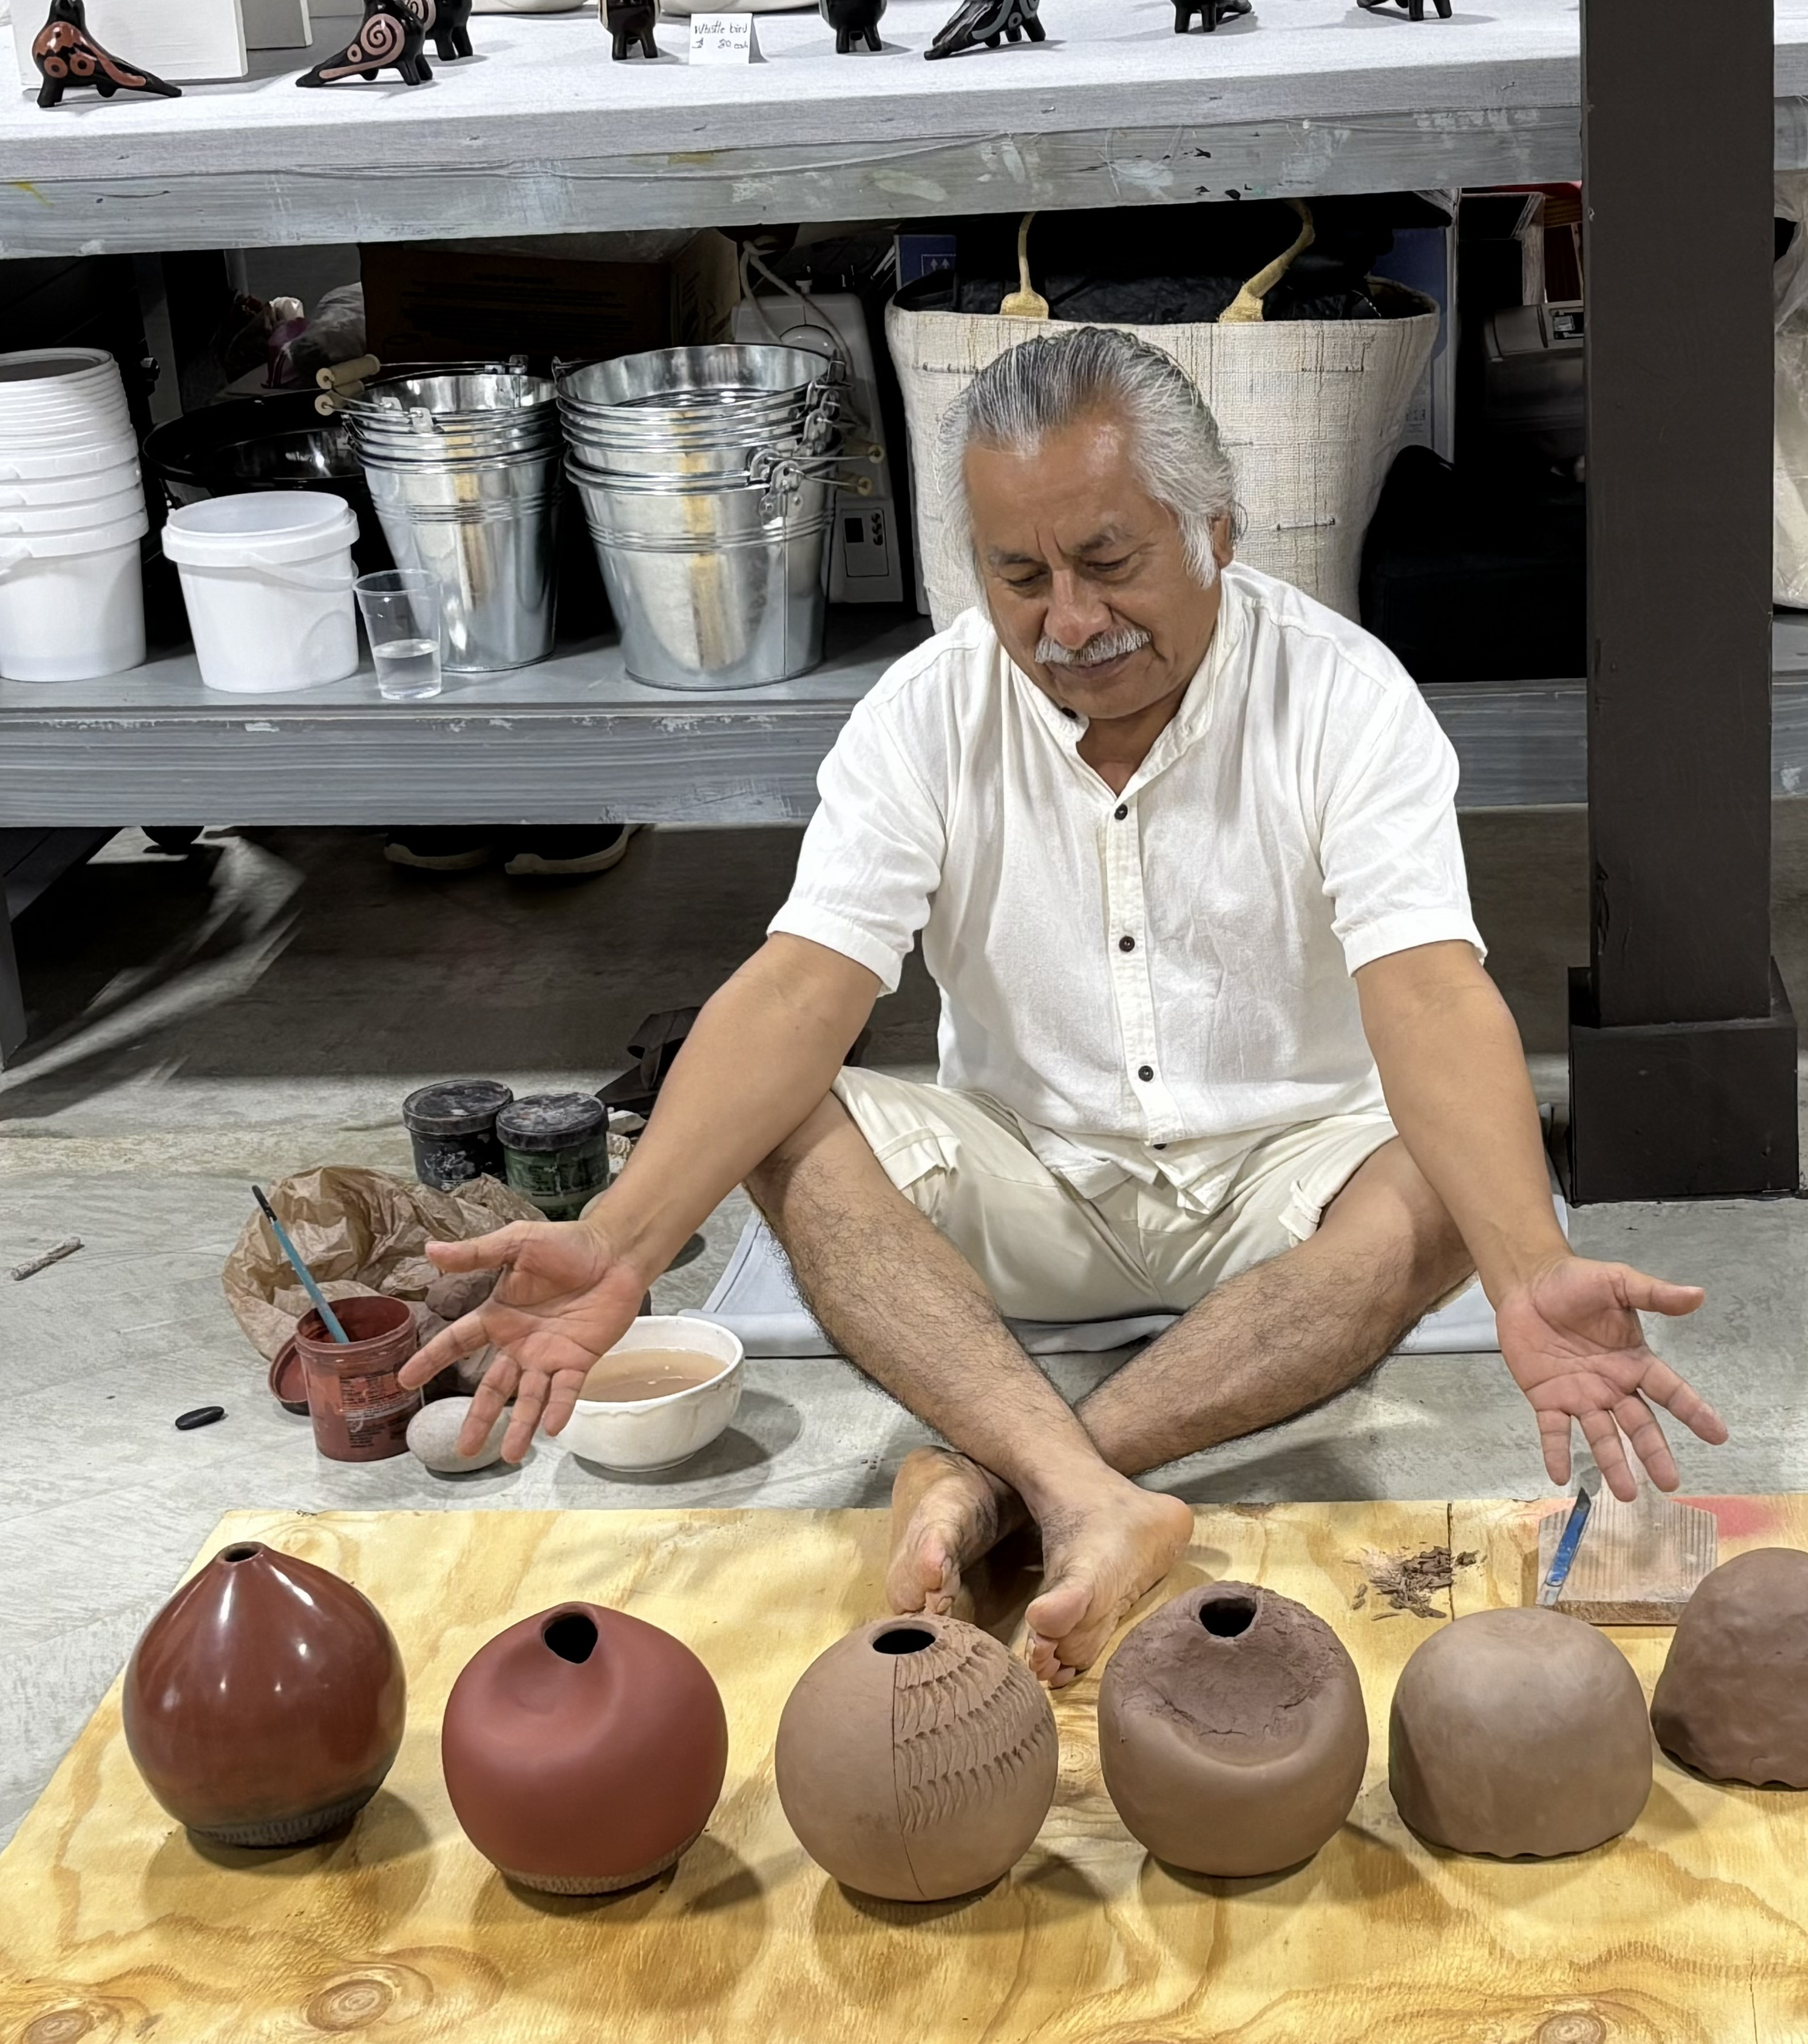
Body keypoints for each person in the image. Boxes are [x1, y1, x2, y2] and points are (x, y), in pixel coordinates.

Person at [401, 327, 1726, 1685]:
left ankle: (1002, 1480)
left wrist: (1526, 1268)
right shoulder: (926, 711)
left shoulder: (1343, 698)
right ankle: (1081, 1488)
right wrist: (622, 1239)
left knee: (1452, 1182)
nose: (1072, 622)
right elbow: (802, 983)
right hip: (1026, 1176)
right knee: (782, 1122)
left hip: (1293, 1193)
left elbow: (1430, 994)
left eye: (1109, 562)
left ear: (1215, 531)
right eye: (1020, 577)